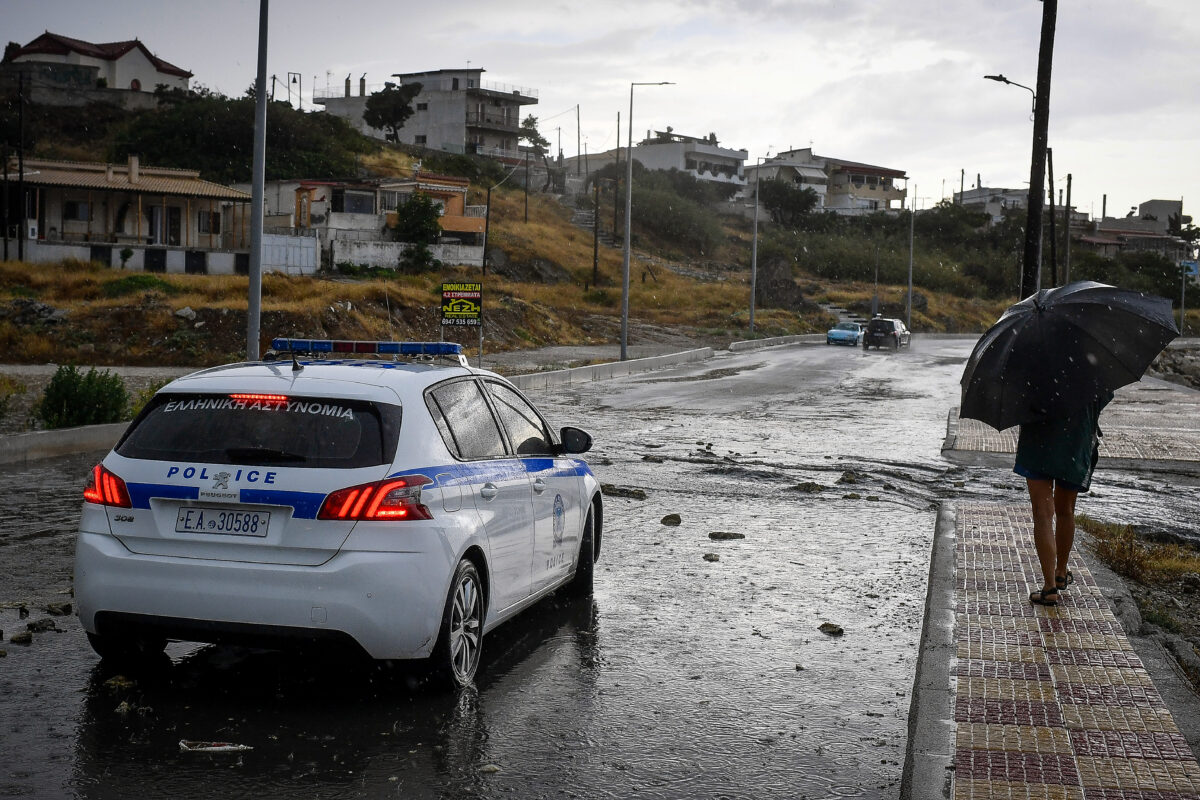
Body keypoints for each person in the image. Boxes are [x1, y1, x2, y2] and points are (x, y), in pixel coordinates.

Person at [1014, 391, 1113, 606]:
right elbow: (1104, 396)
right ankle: (1061, 571)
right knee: (1065, 510)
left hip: (1038, 439)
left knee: (1042, 513)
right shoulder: (1090, 361)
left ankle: (1049, 587)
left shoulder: (1029, 363)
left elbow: (1017, 400)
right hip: (1076, 437)